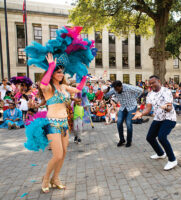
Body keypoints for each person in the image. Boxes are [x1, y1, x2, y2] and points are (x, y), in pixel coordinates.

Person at [24, 26, 96, 193]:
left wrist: (84, 76)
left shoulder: (64, 87)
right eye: (57, 72)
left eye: (61, 72)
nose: (60, 74)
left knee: (63, 155)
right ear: (52, 73)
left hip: (64, 123)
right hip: (52, 123)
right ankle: (45, 179)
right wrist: (50, 67)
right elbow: (43, 83)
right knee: (56, 155)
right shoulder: (48, 88)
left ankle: (56, 178)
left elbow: (78, 89)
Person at [133, 75, 178, 170]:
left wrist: (166, 107)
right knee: (150, 137)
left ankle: (172, 160)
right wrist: (141, 114)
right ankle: (161, 154)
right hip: (158, 118)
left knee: (162, 137)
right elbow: (148, 108)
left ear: (159, 81)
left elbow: (169, 108)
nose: (151, 85)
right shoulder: (150, 94)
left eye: (153, 82)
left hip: (169, 118)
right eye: (150, 83)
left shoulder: (166, 91)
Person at [104, 80, 143, 147]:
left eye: (117, 89)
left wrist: (135, 97)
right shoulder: (114, 89)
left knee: (128, 123)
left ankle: (129, 141)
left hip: (132, 107)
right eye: (115, 89)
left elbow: (140, 90)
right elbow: (106, 96)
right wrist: (105, 91)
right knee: (119, 122)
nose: (116, 91)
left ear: (121, 86)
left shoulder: (128, 87)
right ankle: (122, 140)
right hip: (123, 107)